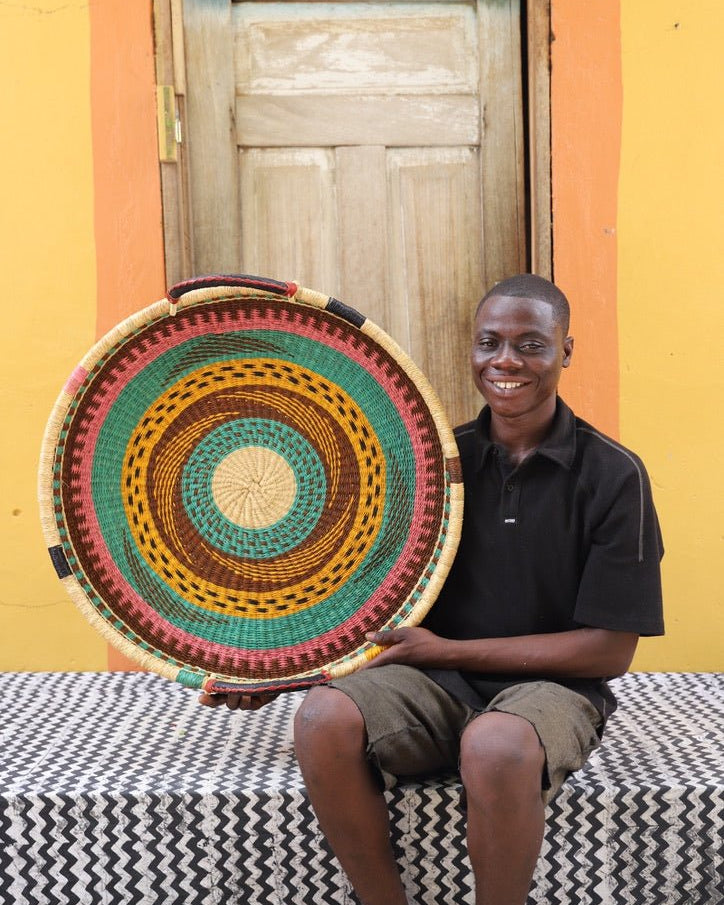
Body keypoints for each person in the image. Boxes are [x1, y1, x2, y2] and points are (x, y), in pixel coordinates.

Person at [201, 274, 665, 905]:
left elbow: (609, 652)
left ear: (566, 351)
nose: (505, 361)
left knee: (495, 745)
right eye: (489, 342)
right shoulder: (434, 462)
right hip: (428, 685)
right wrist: (278, 673)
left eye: (531, 344)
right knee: (321, 719)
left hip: (553, 690)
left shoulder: (615, 475)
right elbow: (360, 601)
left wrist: (444, 650)